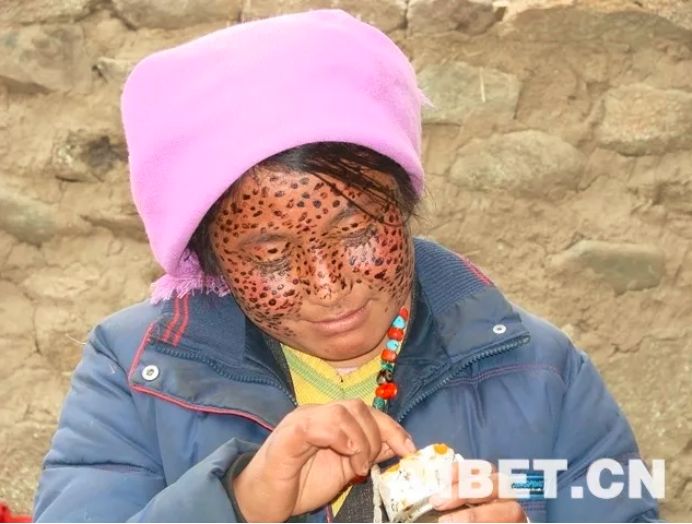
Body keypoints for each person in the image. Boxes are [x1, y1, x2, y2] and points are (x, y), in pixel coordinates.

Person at [34, 9, 659, 523]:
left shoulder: (540, 374)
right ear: (211, 261)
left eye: (356, 232)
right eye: (271, 255)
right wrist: (238, 502)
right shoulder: (137, 372)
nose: (330, 286)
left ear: (404, 202)